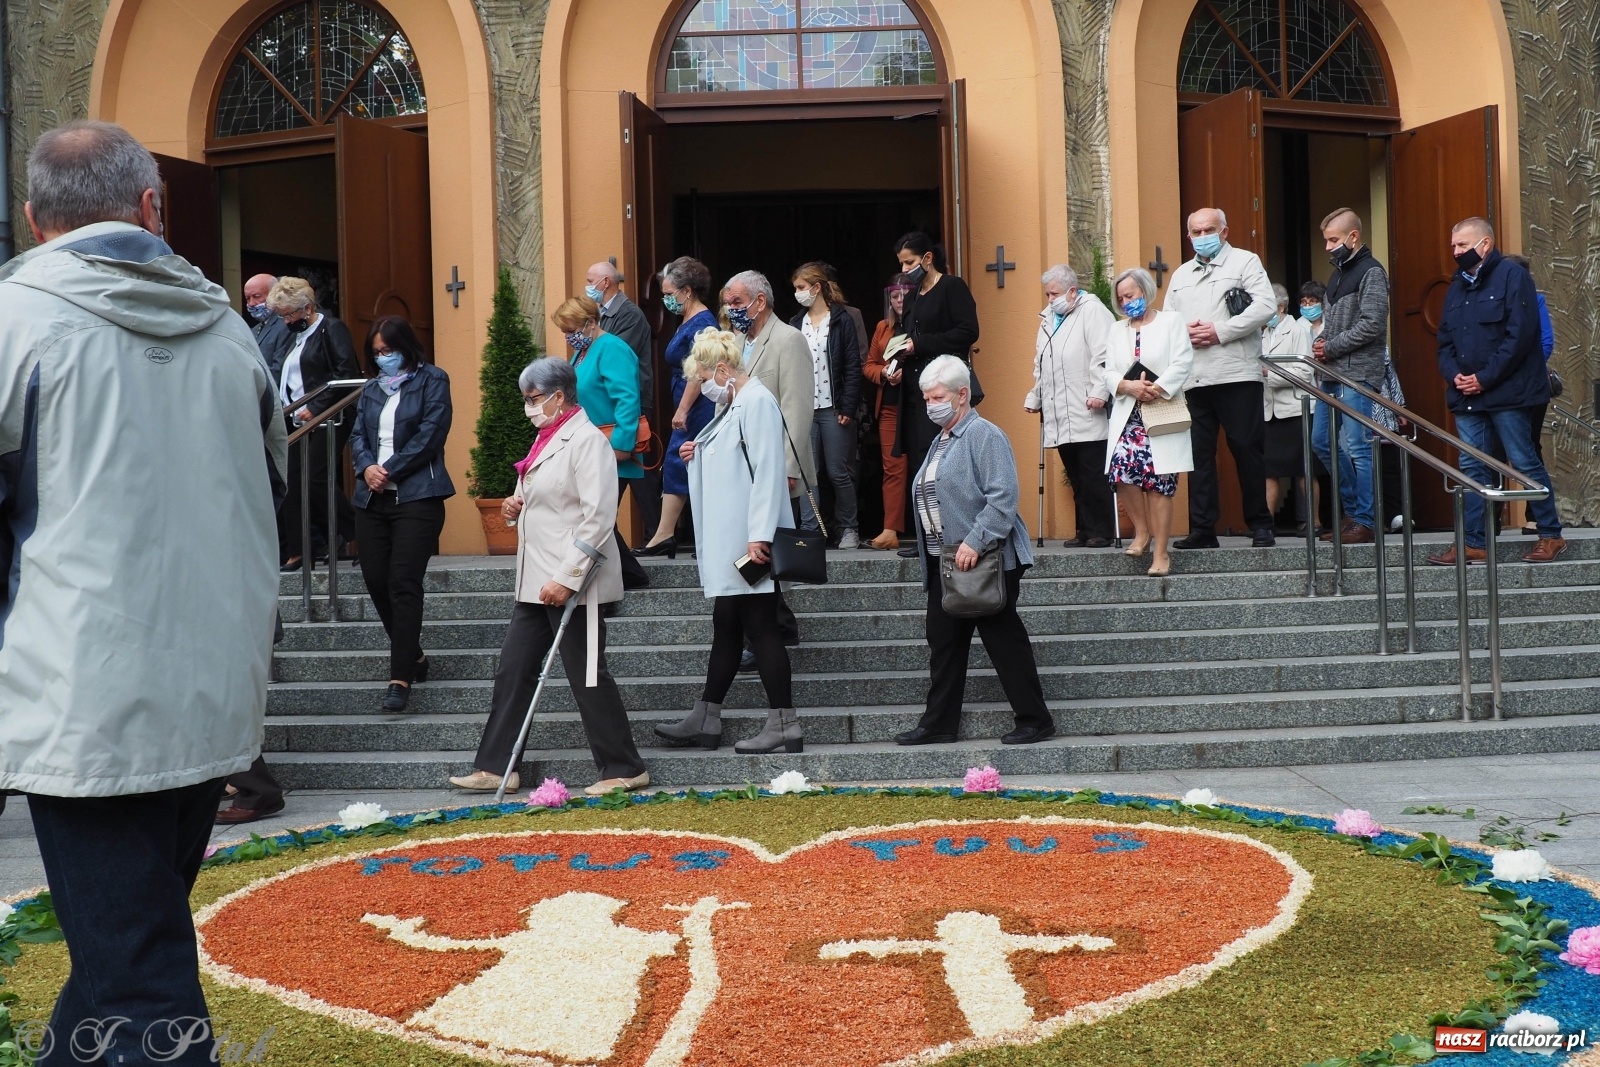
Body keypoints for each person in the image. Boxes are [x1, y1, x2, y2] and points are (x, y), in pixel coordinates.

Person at [0, 119, 286, 1063]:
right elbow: (270, 497)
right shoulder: (234, 332)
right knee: (124, 943)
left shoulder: (15, 321)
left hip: (77, 689)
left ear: (34, 218)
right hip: (211, 690)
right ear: (152, 206)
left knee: (135, 970)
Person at [452, 357, 649, 796]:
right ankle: (496, 766)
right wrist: (512, 505)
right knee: (513, 668)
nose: (529, 407)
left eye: (534, 399)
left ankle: (624, 767)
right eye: (527, 399)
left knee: (587, 673)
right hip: (534, 580)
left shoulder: (586, 441)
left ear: (560, 396)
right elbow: (539, 497)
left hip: (574, 581)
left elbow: (598, 518)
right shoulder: (546, 438)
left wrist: (567, 578)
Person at [654, 328, 802, 755]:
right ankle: (707, 716)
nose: (701, 388)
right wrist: (696, 454)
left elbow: (768, 471)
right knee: (728, 625)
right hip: (736, 541)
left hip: (747, 542)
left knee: (760, 627)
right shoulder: (737, 403)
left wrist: (759, 536)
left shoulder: (755, 401)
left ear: (722, 369)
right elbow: (734, 460)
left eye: (702, 379)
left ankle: (783, 725)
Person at [895, 355, 1054, 747]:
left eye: (937, 397)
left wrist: (975, 540)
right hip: (944, 560)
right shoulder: (941, 439)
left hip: (982, 558)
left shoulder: (984, 435)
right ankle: (938, 724)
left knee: (1003, 640)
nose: (930, 404)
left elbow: (1003, 497)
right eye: (927, 398)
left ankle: (1036, 719)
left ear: (962, 395)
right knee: (944, 642)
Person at [1428, 218, 1565, 566]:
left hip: (1509, 393)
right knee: (1472, 466)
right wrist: (1456, 376)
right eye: (1453, 245)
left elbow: (1520, 338)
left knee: (1522, 461)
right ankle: (1474, 542)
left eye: (1462, 245)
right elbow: (1444, 341)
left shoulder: (1513, 276)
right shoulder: (1457, 286)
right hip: (1467, 396)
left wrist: (1484, 378)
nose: (1455, 252)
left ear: (1485, 244)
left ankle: (1550, 535)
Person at [349, 315, 454, 713]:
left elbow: (431, 434)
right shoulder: (372, 389)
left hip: (418, 498)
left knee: (402, 581)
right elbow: (358, 434)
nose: (382, 359)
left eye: (388, 351)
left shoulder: (433, 380)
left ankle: (400, 677)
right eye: (376, 353)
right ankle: (415, 655)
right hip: (373, 500)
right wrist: (366, 467)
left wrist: (388, 469)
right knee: (376, 579)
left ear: (406, 346)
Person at [1163, 207, 1276, 548]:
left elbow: (1266, 305)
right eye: (1196, 232)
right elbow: (1168, 323)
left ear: (1224, 231)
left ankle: (1260, 524)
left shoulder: (1245, 261)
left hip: (1236, 372)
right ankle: (1202, 529)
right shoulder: (1180, 275)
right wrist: (1184, 332)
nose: (1202, 237)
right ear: (1188, 237)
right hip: (1194, 378)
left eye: (1208, 229)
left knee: (1246, 449)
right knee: (1198, 455)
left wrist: (1220, 331)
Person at [724, 270, 812, 653]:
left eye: (738, 302)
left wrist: (789, 469)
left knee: (769, 549)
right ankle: (775, 625)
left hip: (775, 468)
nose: (732, 310)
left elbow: (796, 408)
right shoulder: (738, 342)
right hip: (741, 470)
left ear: (760, 302)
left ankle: (767, 631)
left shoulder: (788, 340)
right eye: (729, 304)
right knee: (756, 549)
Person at [552, 295, 651, 590]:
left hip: (611, 448)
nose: (568, 337)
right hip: (593, 447)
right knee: (598, 515)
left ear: (591, 323)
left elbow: (627, 398)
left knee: (597, 515)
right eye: (564, 332)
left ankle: (627, 575)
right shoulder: (585, 351)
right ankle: (629, 574)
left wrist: (621, 443)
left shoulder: (610, 347)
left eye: (571, 330)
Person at [892, 233, 980, 560]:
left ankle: (952, 530)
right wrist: (897, 359)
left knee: (946, 460)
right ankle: (924, 533)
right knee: (921, 459)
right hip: (917, 388)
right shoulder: (914, 294)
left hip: (945, 387)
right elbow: (909, 335)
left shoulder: (952, 287)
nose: (905, 269)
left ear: (927, 258)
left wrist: (921, 345)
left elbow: (968, 331)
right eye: (901, 263)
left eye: (910, 262)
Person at [1104, 268, 1195, 577]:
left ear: (1144, 291)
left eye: (1130, 295)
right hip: (1129, 414)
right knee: (1122, 472)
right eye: (1121, 298)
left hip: (1162, 409)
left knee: (1160, 484)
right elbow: (1106, 370)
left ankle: (1161, 553)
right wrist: (1126, 386)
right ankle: (1141, 532)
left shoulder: (1171, 321)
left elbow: (1183, 360)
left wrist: (1156, 388)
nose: (1126, 301)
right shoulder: (1117, 330)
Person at [270, 275, 361, 570]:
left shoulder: (331, 329)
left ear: (307, 308)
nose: (285, 321)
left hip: (329, 417)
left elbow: (347, 375)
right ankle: (301, 549)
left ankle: (359, 534)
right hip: (296, 419)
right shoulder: (295, 337)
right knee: (292, 483)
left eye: (288, 314)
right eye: (282, 316)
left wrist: (316, 405)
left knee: (316, 479)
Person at [1311, 208, 1389, 544]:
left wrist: (1330, 347)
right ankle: (1354, 513)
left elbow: (1373, 324)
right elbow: (1331, 325)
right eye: (1326, 240)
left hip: (1357, 373)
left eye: (1333, 239)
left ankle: (1367, 520)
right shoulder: (1337, 274)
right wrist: (1320, 341)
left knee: (1358, 446)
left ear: (1353, 237)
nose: (1328, 246)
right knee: (1321, 442)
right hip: (1332, 372)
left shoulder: (1372, 272)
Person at [1024, 264, 1115, 548]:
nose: (1050, 299)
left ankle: (1101, 529)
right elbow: (1041, 363)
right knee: (1076, 474)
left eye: (1054, 293)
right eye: (1048, 294)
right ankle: (1084, 529)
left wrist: (1101, 390)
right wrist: (1035, 397)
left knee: (1093, 473)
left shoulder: (1092, 311)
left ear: (1072, 291)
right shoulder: (1048, 319)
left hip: (1088, 404)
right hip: (1059, 409)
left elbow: (1105, 355)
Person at [641, 256, 718, 557]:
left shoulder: (703, 323)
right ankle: (669, 534)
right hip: (688, 401)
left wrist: (683, 409)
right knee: (683, 464)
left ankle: (666, 535)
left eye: (670, 293)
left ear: (687, 290)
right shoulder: (688, 319)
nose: (666, 299)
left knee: (682, 461)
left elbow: (699, 369)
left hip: (698, 405)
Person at [791, 261, 863, 548]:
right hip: (804, 409)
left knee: (837, 470)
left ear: (817, 287)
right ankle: (811, 530)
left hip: (833, 409)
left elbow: (852, 366)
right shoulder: (796, 322)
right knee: (808, 472)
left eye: (800, 287)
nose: (797, 293)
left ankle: (849, 528)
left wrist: (848, 407)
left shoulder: (841, 319)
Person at [587, 259, 661, 538]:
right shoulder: (603, 313)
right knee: (633, 468)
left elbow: (614, 355)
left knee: (633, 463)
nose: (587, 286)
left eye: (590, 279)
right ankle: (656, 532)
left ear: (605, 282)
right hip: (613, 403)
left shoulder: (628, 314)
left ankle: (650, 532)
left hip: (631, 400)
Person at [862, 275, 915, 549]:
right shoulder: (883, 328)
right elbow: (868, 364)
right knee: (892, 469)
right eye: (895, 296)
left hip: (921, 405)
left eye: (905, 294)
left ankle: (934, 529)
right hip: (891, 407)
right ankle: (890, 530)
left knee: (925, 466)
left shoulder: (923, 324)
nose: (900, 300)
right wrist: (883, 372)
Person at [1262, 283, 1313, 526]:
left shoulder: (1298, 331)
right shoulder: (1263, 333)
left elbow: (1304, 372)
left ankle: (1312, 522)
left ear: (1281, 306)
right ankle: (1266, 523)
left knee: (1304, 469)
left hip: (1296, 409)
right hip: (1270, 412)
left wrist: (1267, 373)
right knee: (1269, 470)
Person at [244, 271, 290, 377]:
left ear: (274, 295)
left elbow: (279, 371)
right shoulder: (253, 330)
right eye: (248, 298)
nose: (251, 303)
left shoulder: (285, 325)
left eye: (256, 296)